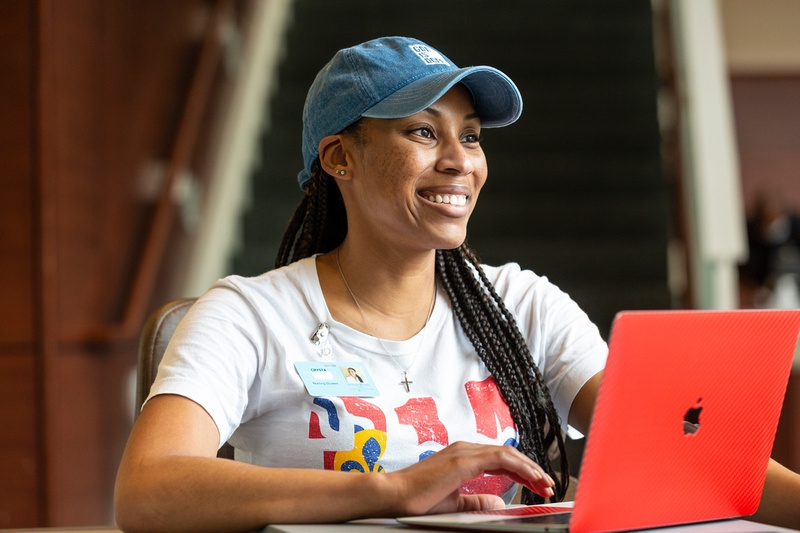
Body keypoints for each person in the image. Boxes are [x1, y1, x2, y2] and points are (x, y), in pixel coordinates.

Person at [114, 37, 800, 532]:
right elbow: (149, 489)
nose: (458, 162)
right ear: (339, 157)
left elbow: (679, 442)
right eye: (422, 131)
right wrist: (393, 491)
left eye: (470, 137)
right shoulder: (249, 315)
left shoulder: (520, 304)